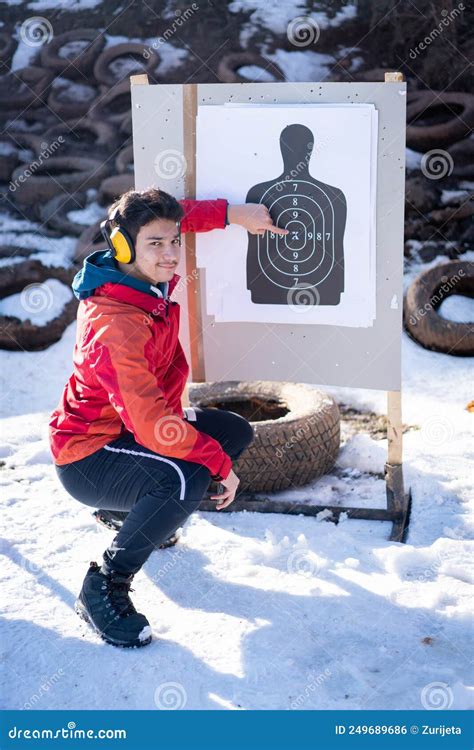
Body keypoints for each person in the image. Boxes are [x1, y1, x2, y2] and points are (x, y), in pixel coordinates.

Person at [49, 188, 288, 648]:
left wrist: (233, 215)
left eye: (174, 242)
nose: (171, 254)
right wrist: (217, 465)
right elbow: (154, 424)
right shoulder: (115, 321)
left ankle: (128, 514)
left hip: (126, 433)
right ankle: (105, 584)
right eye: (156, 245)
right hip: (90, 455)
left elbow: (168, 218)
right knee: (183, 479)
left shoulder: (137, 282)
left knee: (233, 431)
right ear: (124, 247)